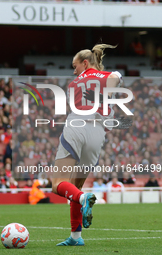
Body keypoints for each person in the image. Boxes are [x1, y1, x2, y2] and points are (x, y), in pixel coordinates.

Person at [51, 44, 124, 246]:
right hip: (97, 132)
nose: (73, 71)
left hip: (77, 126)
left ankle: (83, 199)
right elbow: (114, 79)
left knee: (58, 184)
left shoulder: (74, 84)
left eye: (75, 66)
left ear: (85, 63)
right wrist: (115, 77)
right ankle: (76, 237)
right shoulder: (105, 76)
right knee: (76, 185)